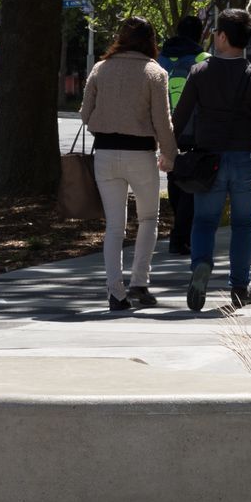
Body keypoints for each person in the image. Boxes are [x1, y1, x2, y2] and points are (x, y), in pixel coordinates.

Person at [172, 7, 251, 311]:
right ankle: (240, 288)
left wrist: (167, 149)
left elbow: (180, 117)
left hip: (208, 161)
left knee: (204, 221)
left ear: (221, 37)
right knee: (244, 224)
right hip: (246, 160)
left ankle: (201, 266)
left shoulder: (200, 73)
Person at [80, 16, 176, 311]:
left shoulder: (101, 69)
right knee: (148, 219)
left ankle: (115, 291)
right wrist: (169, 154)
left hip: (106, 153)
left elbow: (85, 114)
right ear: (150, 40)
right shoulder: (154, 72)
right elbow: (163, 121)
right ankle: (139, 281)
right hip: (140, 153)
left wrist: (102, 122)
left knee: (114, 227)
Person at [157, 15, 207, 256]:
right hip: (195, 131)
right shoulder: (203, 60)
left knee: (175, 180)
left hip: (166, 130)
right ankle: (180, 237)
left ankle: (179, 231)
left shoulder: (160, 60)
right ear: (201, 34)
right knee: (192, 183)